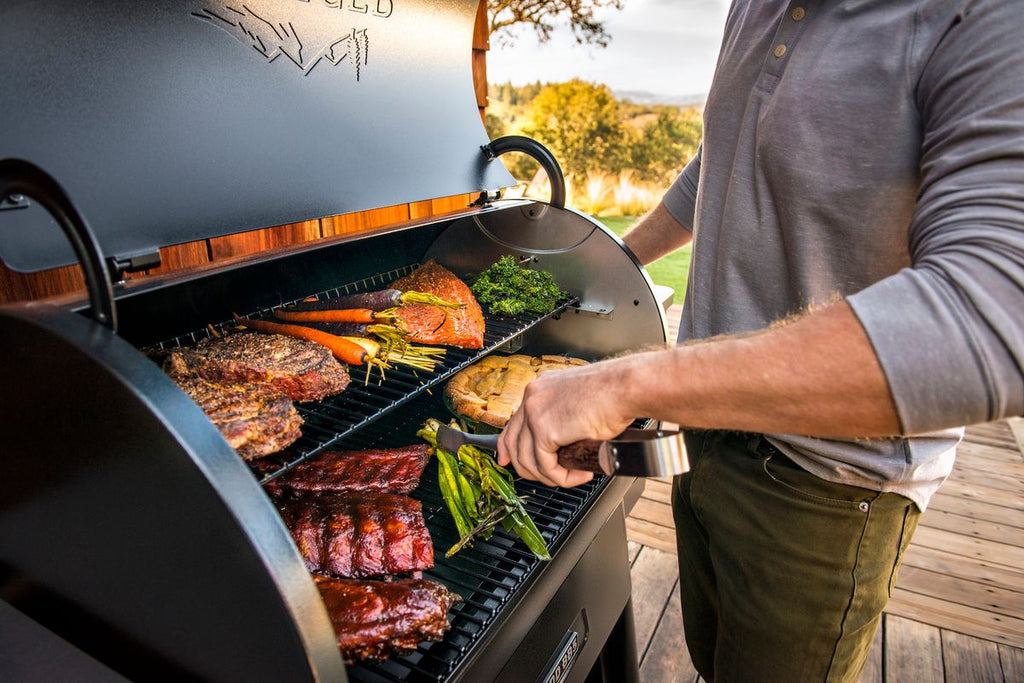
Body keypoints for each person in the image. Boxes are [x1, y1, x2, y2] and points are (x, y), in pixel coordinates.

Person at [496, 1, 1024, 680]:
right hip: (701, 437)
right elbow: (720, 161)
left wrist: (625, 381)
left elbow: (994, 315)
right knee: (714, 660)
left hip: (827, 485)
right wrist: (607, 267)